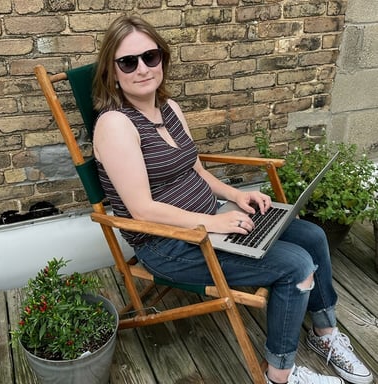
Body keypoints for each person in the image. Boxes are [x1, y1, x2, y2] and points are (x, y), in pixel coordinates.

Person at [92, 15, 373, 384]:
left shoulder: (169, 108)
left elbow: (197, 171)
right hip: (169, 245)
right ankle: (280, 375)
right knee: (297, 266)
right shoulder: (115, 125)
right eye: (129, 62)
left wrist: (236, 196)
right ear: (112, 73)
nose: (143, 68)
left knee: (313, 237)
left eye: (151, 56)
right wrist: (214, 224)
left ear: (163, 58)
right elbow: (142, 209)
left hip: (211, 220)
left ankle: (325, 336)